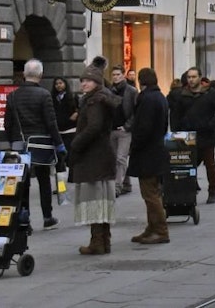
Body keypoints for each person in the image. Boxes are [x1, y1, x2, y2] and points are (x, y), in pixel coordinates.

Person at [5, 59, 65, 231]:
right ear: (40, 74)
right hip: (41, 144)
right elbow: (51, 123)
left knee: (22, 183)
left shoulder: (12, 96)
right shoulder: (44, 95)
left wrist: (12, 141)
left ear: (24, 74)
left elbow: (7, 123)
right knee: (44, 180)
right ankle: (47, 217)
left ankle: (24, 219)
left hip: (19, 143)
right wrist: (59, 144)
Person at [70, 57, 120, 255]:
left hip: (93, 157)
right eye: (82, 80)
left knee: (94, 199)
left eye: (88, 80)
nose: (84, 84)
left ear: (97, 82)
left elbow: (94, 126)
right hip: (102, 155)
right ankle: (104, 241)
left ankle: (97, 241)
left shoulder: (94, 101)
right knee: (102, 200)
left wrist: (76, 143)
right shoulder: (101, 98)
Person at [169, 67, 215, 204]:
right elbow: (175, 116)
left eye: (194, 77)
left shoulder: (210, 93)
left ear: (200, 78)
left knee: (210, 164)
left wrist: (212, 123)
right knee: (189, 165)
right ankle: (190, 189)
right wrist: (176, 133)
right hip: (187, 135)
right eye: (189, 77)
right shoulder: (182, 95)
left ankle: (212, 189)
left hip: (206, 134)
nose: (191, 80)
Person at [126, 68, 170, 245]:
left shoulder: (147, 99)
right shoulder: (160, 97)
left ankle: (160, 230)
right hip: (157, 149)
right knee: (153, 192)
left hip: (147, 153)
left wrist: (134, 145)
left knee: (150, 195)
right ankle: (152, 228)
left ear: (141, 81)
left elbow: (143, 128)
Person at [109, 65, 137, 197]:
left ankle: (117, 187)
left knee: (121, 158)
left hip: (124, 130)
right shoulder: (110, 91)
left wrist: (127, 126)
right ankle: (127, 184)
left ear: (123, 75)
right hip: (112, 129)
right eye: (113, 75)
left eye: (118, 74)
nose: (115, 77)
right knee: (116, 158)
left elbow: (136, 111)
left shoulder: (131, 91)